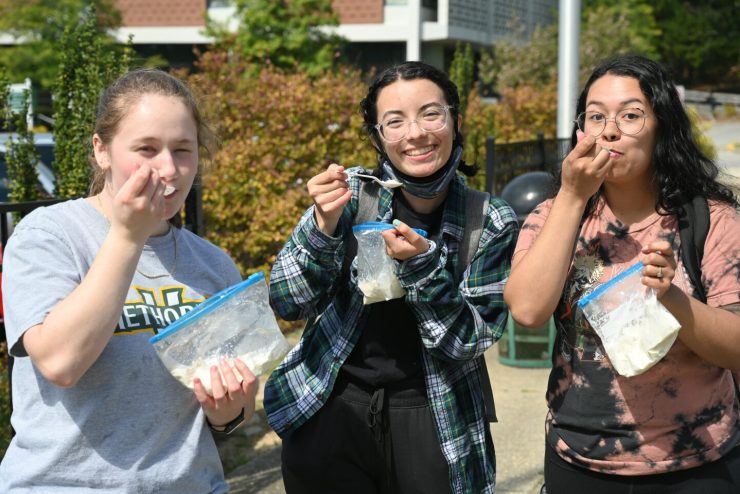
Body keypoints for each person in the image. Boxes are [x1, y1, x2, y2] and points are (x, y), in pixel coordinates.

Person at [264, 61, 518, 493]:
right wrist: (322, 229)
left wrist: (422, 268)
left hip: (436, 415)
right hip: (332, 405)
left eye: (430, 114)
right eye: (394, 122)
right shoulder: (348, 200)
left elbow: (467, 344)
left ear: (455, 121)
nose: (415, 133)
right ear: (378, 138)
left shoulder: (489, 220)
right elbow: (287, 302)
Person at [0, 69, 258, 492]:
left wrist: (228, 408)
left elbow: (237, 412)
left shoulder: (212, 263)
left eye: (183, 150)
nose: (169, 169)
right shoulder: (49, 235)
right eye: (147, 149)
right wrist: (127, 235)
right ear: (101, 150)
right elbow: (60, 363)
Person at [504, 55, 740, 493]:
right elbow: (527, 311)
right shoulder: (552, 217)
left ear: (662, 127)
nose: (609, 130)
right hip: (579, 460)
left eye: (630, 115)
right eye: (595, 117)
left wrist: (672, 300)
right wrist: (573, 197)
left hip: (696, 463)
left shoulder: (712, 221)